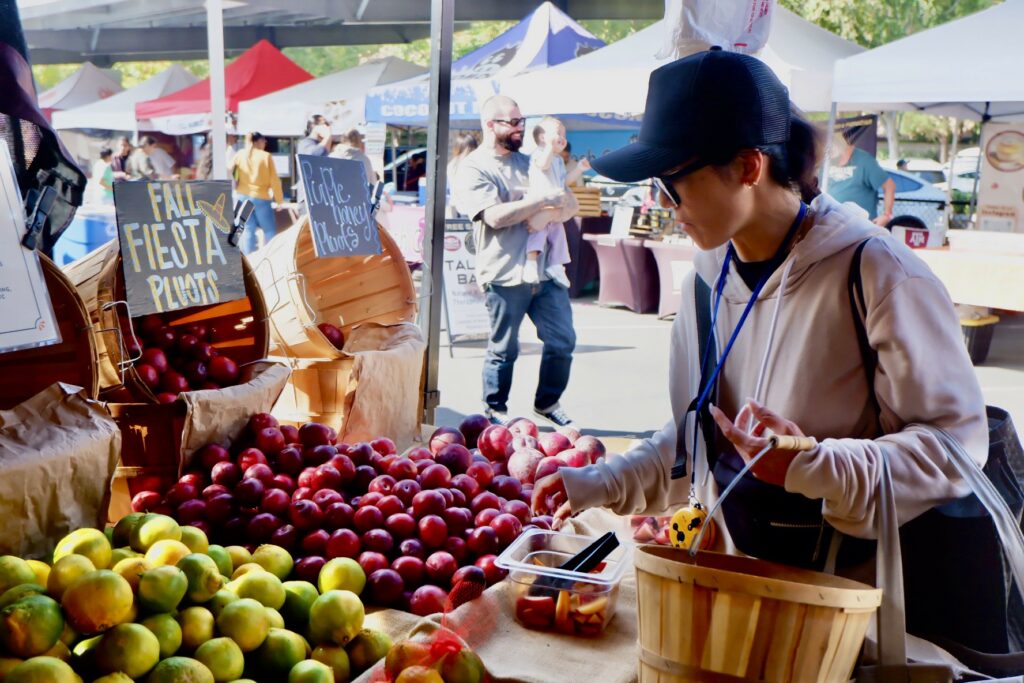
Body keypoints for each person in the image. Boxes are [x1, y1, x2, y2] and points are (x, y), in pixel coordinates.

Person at [532, 49, 986, 580]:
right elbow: (698, 441)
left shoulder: (878, 274)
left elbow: (954, 452)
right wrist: (597, 483)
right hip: (725, 592)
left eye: (669, 185)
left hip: (840, 610)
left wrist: (811, 464)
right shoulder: (705, 279)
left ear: (749, 165)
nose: (664, 206)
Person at [453, 95, 580, 428]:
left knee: (563, 340)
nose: (520, 127)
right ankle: (495, 408)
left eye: (522, 120)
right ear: (490, 124)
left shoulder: (532, 161)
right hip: (504, 271)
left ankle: (547, 401)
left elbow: (570, 204)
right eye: (512, 122)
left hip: (546, 272)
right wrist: (540, 201)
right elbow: (493, 216)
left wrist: (551, 212)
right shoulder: (474, 167)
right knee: (504, 348)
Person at [523, 117, 572, 288]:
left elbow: (565, 181)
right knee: (538, 232)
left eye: (564, 135)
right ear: (543, 137)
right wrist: (550, 148)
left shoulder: (558, 160)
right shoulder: (539, 154)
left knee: (559, 235)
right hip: (540, 202)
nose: (562, 137)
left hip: (555, 204)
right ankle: (530, 262)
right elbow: (543, 165)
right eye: (558, 133)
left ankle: (556, 264)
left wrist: (580, 168)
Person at [827, 129, 896, 226]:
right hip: (833, 224)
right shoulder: (826, 161)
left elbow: (889, 185)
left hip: (862, 226)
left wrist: (887, 215)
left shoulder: (864, 160)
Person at [232, 132, 285, 254]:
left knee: (247, 229)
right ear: (258, 141)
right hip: (261, 197)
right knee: (269, 230)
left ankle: (249, 259)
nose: (265, 143)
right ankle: (270, 255)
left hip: (242, 195)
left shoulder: (240, 154)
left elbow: (231, 170)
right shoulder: (265, 156)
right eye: (264, 141)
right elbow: (274, 180)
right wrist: (279, 200)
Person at [447, 132, 478, 218]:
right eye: (470, 149)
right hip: (468, 208)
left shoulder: (452, 164)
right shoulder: (468, 163)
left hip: (457, 206)